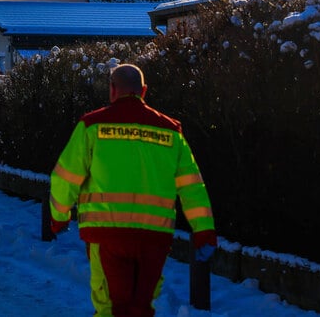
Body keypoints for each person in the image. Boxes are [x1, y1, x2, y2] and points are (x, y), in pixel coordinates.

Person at [49, 64, 216, 317]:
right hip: (154, 238)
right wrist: (203, 230)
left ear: (112, 90)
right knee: (140, 309)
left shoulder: (92, 126)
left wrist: (59, 216)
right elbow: (192, 186)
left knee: (110, 308)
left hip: (108, 236)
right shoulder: (171, 132)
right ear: (144, 91)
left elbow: (66, 177)